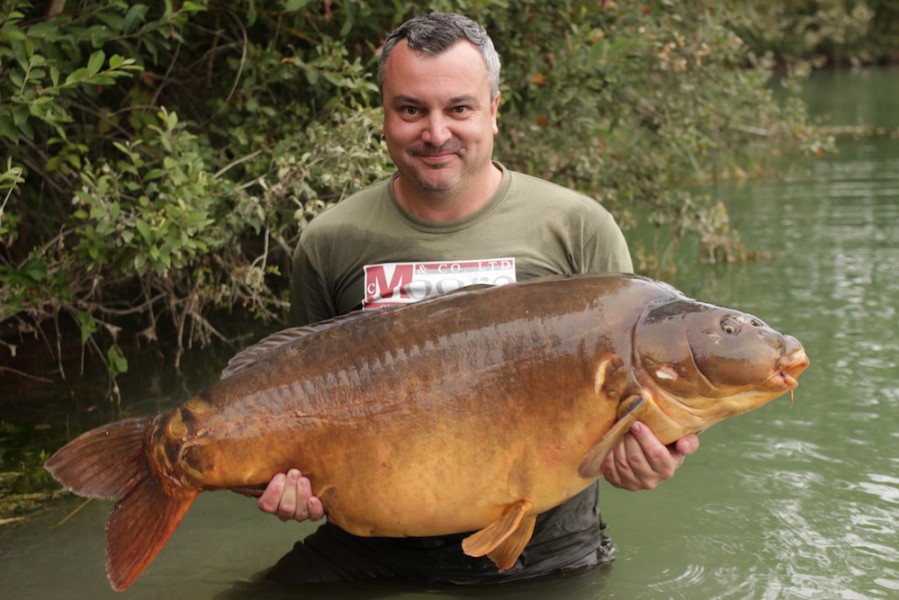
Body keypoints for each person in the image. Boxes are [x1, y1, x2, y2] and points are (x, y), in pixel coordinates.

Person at [257, 12, 699, 585]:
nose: (435, 132)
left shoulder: (577, 229)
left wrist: (643, 463)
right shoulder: (330, 242)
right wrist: (291, 483)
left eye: (459, 108)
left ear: (494, 108)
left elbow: (624, 408)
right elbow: (298, 401)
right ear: (385, 114)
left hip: (545, 547)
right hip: (371, 543)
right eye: (411, 109)